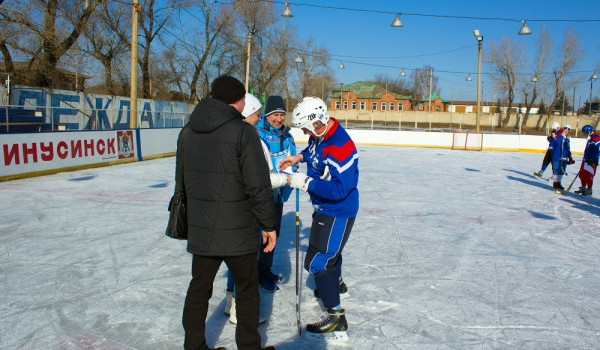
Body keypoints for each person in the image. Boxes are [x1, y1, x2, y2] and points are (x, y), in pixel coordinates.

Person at [179, 75, 277, 350]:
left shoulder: (188, 130)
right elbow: (258, 185)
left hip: (203, 228)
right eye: (244, 98)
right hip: (238, 232)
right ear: (237, 100)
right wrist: (268, 225)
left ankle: (194, 346)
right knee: (246, 290)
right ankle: (248, 346)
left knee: (199, 288)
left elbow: (182, 182)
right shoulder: (243, 131)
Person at [279, 96, 359, 336]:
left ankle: (336, 316)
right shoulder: (320, 135)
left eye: (306, 128)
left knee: (317, 261)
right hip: (325, 208)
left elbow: (338, 189)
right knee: (329, 254)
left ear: (317, 122)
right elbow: (314, 151)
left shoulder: (340, 146)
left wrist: (304, 182)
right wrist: (298, 158)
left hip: (337, 210)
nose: (306, 133)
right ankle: (337, 284)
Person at [224, 93, 289, 324]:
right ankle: (241, 311)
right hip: (253, 203)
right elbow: (262, 178)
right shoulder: (253, 137)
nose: (274, 118)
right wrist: (288, 179)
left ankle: (231, 301)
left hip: (241, 204)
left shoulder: (284, 137)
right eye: (260, 114)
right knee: (245, 255)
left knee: (238, 254)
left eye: (281, 114)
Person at [256, 95, 296, 292]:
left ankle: (265, 270)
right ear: (267, 114)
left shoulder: (287, 137)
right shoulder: (257, 133)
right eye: (275, 115)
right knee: (261, 237)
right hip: (261, 195)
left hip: (279, 195)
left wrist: (293, 174)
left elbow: (293, 159)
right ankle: (256, 274)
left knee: (274, 235)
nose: (279, 119)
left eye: (282, 114)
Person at [574, 124, 600, 196]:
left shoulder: (596, 138)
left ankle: (589, 189)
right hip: (585, 160)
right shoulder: (591, 138)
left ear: (588, 131)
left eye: (585, 133)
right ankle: (583, 187)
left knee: (589, 176)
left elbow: (597, 150)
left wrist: (593, 159)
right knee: (582, 174)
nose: (584, 134)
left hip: (591, 161)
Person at [550, 124, 575, 193]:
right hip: (557, 156)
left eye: (568, 130)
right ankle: (555, 183)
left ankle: (559, 183)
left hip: (564, 157)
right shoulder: (558, 136)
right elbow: (556, 143)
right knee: (556, 170)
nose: (566, 131)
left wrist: (570, 157)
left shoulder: (567, 139)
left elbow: (568, 149)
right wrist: (561, 136)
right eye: (565, 130)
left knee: (562, 170)